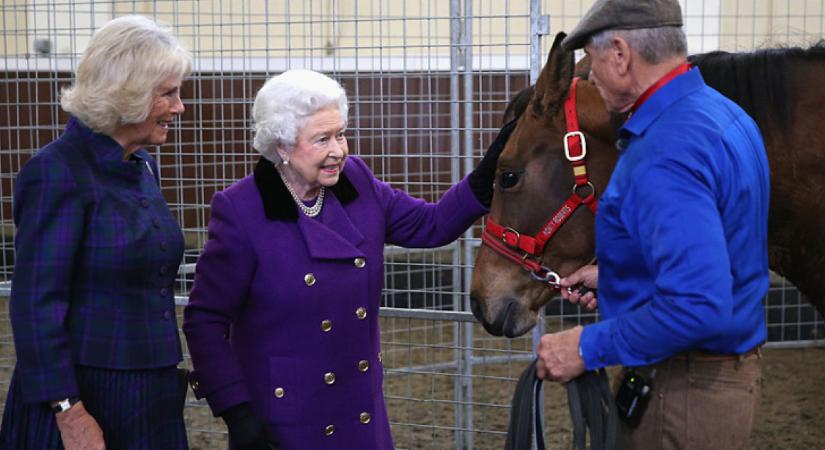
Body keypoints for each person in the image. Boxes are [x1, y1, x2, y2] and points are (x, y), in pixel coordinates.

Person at [182, 69, 513, 449]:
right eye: (322, 139)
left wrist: (487, 175)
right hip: (284, 418)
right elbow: (205, 318)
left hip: (358, 409)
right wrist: (235, 409)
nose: (339, 150)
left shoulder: (356, 181)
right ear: (283, 146)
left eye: (340, 134)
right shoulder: (241, 210)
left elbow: (431, 224)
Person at [534, 1, 770, 449]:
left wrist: (585, 346)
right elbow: (724, 253)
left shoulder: (665, 150)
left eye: (593, 60)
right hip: (718, 382)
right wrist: (619, 278)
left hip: (680, 396)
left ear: (620, 54)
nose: (588, 76)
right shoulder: (723, 115)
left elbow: (697, 305)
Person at [0, 16, 192, 450]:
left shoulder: (141, 164)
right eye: (168, 93)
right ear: (127, 94)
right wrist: (69, 412)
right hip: (87, 401)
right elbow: (35, 306)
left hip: (149, 394)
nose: (180, 107)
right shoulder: (56, 172)